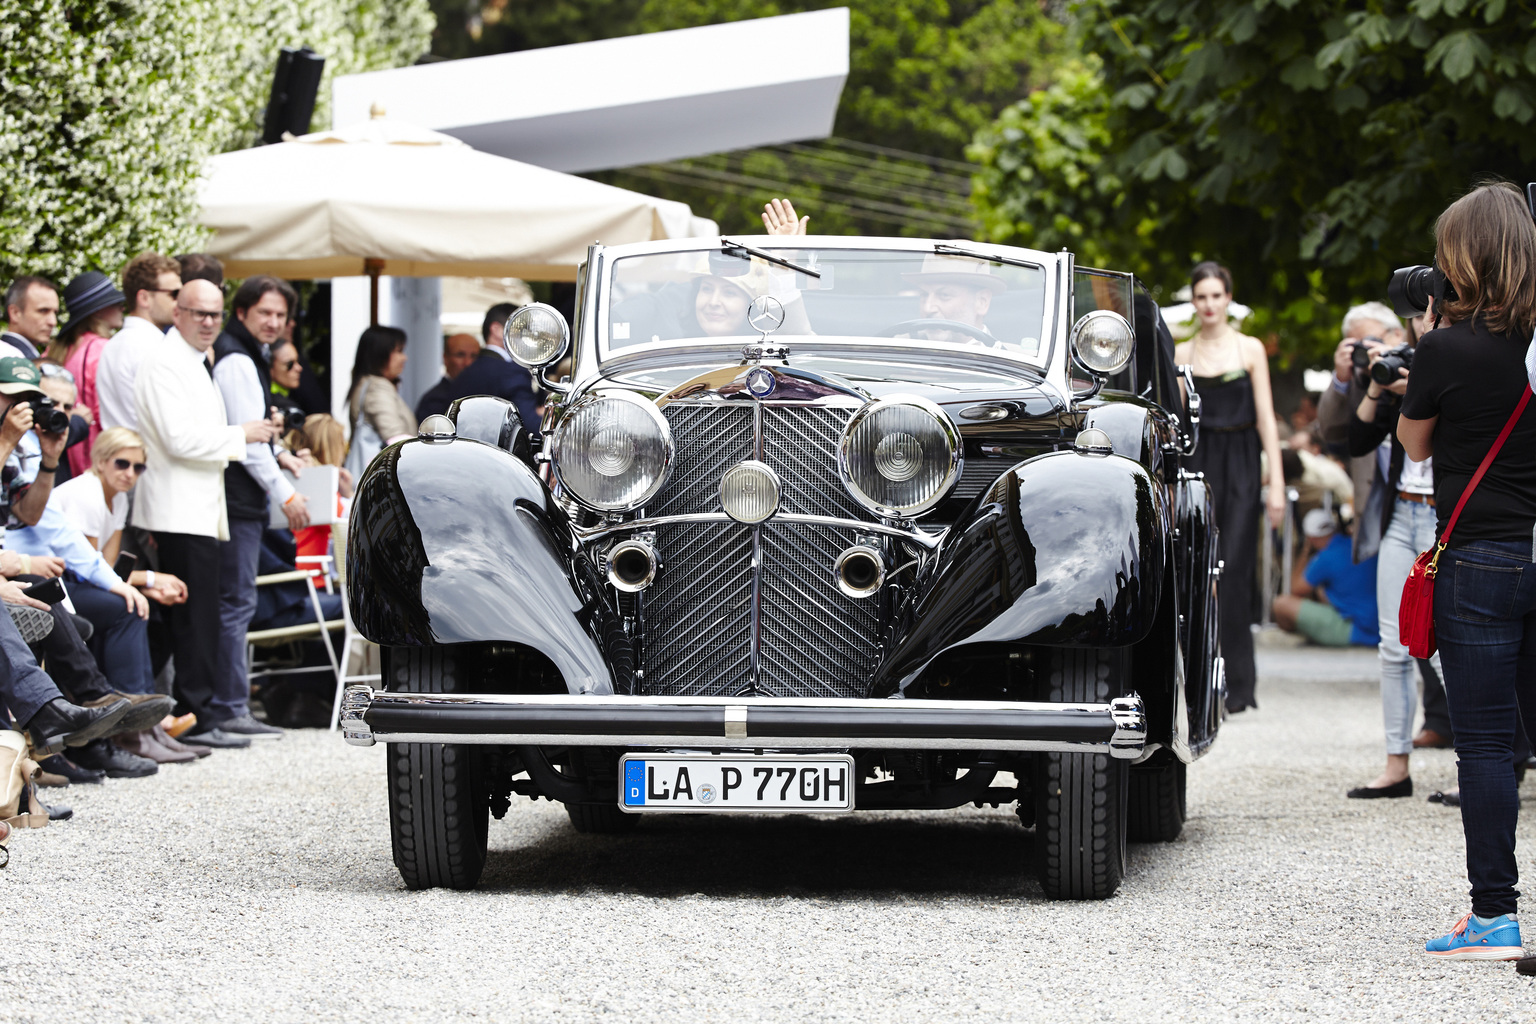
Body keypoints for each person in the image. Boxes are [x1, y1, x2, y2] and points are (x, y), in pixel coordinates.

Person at [1395, 181, 1536, 962]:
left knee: (1485, 745)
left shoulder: (1447, 347)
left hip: (1480, 556)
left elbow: (1416, 447)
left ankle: (1494, 915)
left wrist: (1428, 340)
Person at [133, 279, 281, 750]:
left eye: (215, 315)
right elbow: (179, 441)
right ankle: (192, 717)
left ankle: (191, 715)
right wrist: (243, 434)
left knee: (197, 619)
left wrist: (240, 436)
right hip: (177, 509)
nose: (208, 323)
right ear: (176, 313)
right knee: (191, 621)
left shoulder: (191, 360)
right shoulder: (165, 363)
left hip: (196, 507)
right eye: (199, 313)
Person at [1173, 262, 1286, 713]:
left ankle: (1240, 684)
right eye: (1202, 296)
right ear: (1194, 301)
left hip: (1241, 463)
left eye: (1216, 295)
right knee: (1196, 569)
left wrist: (1275, 482)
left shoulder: (1251, 348)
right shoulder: (1182, 353)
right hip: (1199, 462)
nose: (1209, 305)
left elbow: (1266, 419)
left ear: (1228, 298)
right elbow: (1177, 427)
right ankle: (1200, 682)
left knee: (1234, 569)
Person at [212, 276, 307, 743]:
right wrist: (286, 494)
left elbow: (258, 438)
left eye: (279, 315)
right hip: (235, 499)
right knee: (235, 603)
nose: (272, 322)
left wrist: (280, 454)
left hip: (236, 496)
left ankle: (226, 705)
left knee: (233, 602)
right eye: (263, 313)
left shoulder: (245, 354)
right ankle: (228, 706)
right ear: (243, 311)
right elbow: (246, 443)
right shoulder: (236, 358)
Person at [96, 253, 181, 431]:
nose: (179, 302)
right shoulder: (154, 347)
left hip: (122, 450)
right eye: (174, 294)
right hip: (148, 454)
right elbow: (168, 423)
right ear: (144, 298)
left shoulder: (113, 344)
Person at [416, 307, 539, 430]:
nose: (528, 337)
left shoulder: (466, 374)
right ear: (496, 330)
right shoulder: (511, 372)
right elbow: (529, 427)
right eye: (521, 330)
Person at [1272, 509, 1379, 648]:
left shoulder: (1325, 557)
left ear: (1311, 538)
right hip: (1379, 626)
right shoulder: (1355, 545)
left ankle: (1307, 636)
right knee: (1323, 589)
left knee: (1281, 604)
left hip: (1358, 631)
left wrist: (1305, 552)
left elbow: (1296, 589)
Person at [49, 272, 121, 477]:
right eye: (113, 303)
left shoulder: (59, 350)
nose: (121, 307)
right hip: (98, 465)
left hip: (67, 462)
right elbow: (107, 415)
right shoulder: (101, 349)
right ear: (97, 312)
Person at [902, 255, 1005, 344]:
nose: (927, 308)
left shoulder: (1012, 360)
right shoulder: (897, 348)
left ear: (982, 302)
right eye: (924, 294)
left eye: (944, 295)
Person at [346, 325, 416, 451]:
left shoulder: (370, 384)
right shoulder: (377, 388)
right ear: (380, 354)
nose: (404, 358)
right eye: (399, 351)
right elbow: (395, 438)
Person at [413, 332, 481, 421]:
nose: (468, 363)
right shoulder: (435, 400)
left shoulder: (480, 393)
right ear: (445, 358)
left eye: (474, 356)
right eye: (460, 355)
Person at [2, 275, 60, 360]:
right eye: (43, 311)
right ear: (15, 313)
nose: (53, 322)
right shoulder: (9, 358)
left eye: (55, 312)